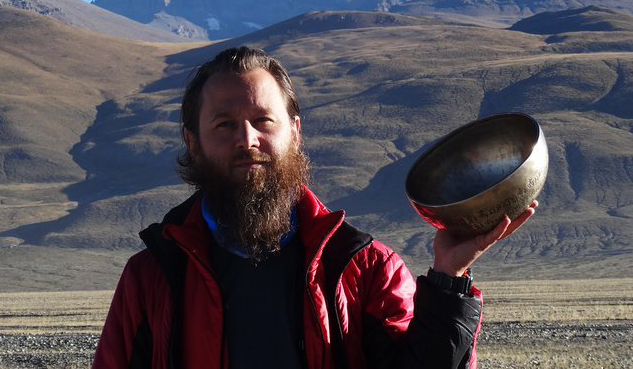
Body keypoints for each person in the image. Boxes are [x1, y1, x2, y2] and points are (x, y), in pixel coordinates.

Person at [92, 46, 536, 369]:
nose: (246, 140)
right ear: (193, 142)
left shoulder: (364, 268)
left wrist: (448, 281)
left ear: (295, 132)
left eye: (263, 121)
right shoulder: (152, 277)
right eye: (224, 124)